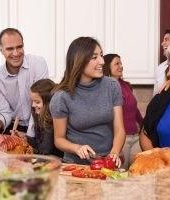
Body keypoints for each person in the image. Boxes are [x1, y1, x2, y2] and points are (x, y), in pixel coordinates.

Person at [49, 37, 126, 167]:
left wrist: (114, 153)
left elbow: (120, 129)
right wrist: (77, 148)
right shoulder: (61, 97)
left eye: (101, 55)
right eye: (94, 57)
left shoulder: (112, 86)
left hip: (107, 162)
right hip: (76, 165)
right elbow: (59, 139)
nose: (102, 61)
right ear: (79, 61)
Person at [0, 28, 49, 136]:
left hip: (40, 124)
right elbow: (4, 111)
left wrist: (29, 137)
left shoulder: (38, 63)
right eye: (10, 49)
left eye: (19, 47)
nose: (16, 53)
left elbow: (41, 102)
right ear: (1, 50)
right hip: (14, 127)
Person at [103, 53, 142, 169]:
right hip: (121, 140)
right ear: (107, 67)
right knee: (119, 175)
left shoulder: (126, 86)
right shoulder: (105, 88)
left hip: (135, 137)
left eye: (121, 63)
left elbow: (135, 110)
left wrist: (143, 126)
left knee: (137, 173)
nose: (121, 66)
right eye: (116, 64)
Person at [25, 79, 63, 157]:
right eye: (32, 101)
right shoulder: (38, 114)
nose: (33, 105)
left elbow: (45, 150)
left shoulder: (50, 120)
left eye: (37, 102)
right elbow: (33, 142)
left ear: (48, 102)